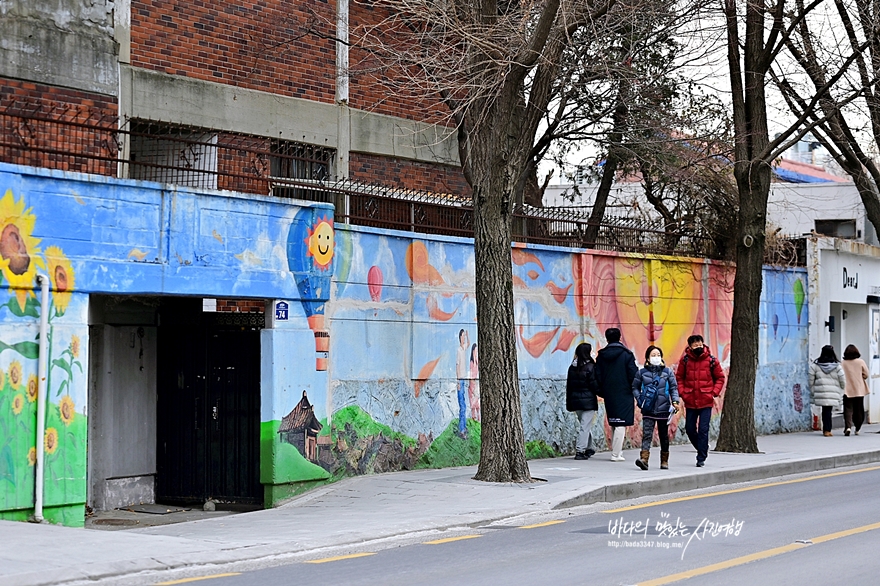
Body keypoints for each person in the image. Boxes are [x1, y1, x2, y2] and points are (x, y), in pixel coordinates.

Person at [676, 334, 725, 467]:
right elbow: (679, 378)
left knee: (703, 429)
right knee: (690, 429)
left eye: (700, 344)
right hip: (690, 400)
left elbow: (720, 378)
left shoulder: (712, 360)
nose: (698, 347)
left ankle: (701, 457)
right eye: (695, 345)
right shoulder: (685, 360)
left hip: (706, 401)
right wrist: (683, 393)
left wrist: (713, 393)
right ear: (690, 347)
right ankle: (702, 447)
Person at [632, 345, 680, 470]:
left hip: (664, 408)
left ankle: (664, 461)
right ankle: (644, 459)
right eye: (653, 355)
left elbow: (674, 388)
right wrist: (640, 399)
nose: (656, 357)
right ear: (647, 358)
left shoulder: (667, 372)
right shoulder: (641, 372)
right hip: (648, 408)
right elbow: (635, 387)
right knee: (647, 434)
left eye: (658, 355)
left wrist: (675, 401)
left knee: (664, 436)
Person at [596, 328, 638, 462]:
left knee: (614, 421)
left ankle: (617, 452)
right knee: (621, 422)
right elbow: (633, 374)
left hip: (609, 392)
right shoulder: (627, 355)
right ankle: (615, 454)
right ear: (620, 337)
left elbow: (597, 375)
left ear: (606, 338)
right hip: (624, 392)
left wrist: (602, 390)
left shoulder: (601, 355)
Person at [566, 343, 600, 460]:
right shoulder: (591, 367)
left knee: (584, 425)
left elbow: (569, 387)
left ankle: (590, 447)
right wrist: (603, 393)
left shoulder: (572, 367)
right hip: (588, 401)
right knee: (584, 426)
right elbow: (594, 385)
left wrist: (569, 403)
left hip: (576, 401)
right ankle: (580, 451)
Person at [809, 344, 846, 437]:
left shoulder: (815, 365)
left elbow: (810, 379)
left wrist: (813, 389)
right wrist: (842, 389)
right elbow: (842, 379)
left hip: (820, 391)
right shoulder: (837, 366)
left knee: (825, 410)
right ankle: (827, 429)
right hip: (833, 391)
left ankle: (826, 429)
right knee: (828, 410)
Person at [840, 344, 868, 436]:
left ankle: (848, 427)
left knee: (848, 409)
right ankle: (858, 427)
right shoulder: (860, 362)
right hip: (859, 388)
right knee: (859, 409)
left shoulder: (843, 363)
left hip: (847, 389)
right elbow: (866, 374)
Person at [455, 329, 470, 439]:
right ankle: (461, 430)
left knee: (464, 405)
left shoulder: (463, 348)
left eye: (464, 336)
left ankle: (463, 427)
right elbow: (457, 366)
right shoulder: (458, 350)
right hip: (460, 380)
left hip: (463, 379)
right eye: (463, 336)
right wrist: (458, 381)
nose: (464, 338)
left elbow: (468, 344)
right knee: (462, 406)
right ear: (460, 337)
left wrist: (468, 336)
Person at [468, 343, 481, 421]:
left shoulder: (477, 363)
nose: (476, 353)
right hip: (473, 385)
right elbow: (472, 377)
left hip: (477, 384)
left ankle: (478, 419)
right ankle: (474, 418)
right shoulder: (472, 363)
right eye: (475, 351)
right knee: (473, 404)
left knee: (478, 404)